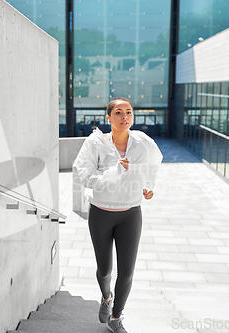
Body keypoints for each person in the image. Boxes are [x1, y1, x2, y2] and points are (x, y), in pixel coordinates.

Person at [72, 97, 163, 333]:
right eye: (119, 112)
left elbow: (153, 164)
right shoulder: (95, 144)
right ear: (109, 117)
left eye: (129, 113)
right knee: (104, 269)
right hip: (101, 213)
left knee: (127, 272)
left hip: (130, 214)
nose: (125, 117)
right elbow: (84, 176)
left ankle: (116, 316)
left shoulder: (142, 142)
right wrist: (114, 171)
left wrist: (148, 186)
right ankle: (106, 296)